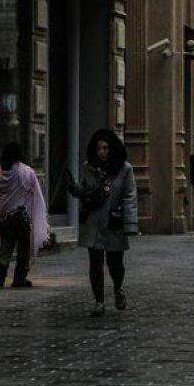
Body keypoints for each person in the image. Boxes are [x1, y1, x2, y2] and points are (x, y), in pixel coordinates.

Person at [69, 129, 138, 316]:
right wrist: (74, 189)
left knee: (115, 264)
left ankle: (118, 288)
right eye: (99, 148)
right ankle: (99, 302)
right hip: (94, 223)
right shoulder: (88, 167)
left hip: (113, 222)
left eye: (106, 148)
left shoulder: (125, 169)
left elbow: (130, 195)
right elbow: (84, 190)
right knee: (95, 263)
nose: (102, 152)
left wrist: (130, 223)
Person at [0, 143, 50, 289]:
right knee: (24, 249)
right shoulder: (25, 172)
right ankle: (19, 279)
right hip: (21, 217)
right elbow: (34, 191)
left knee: (5, 246)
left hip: (4, 217)